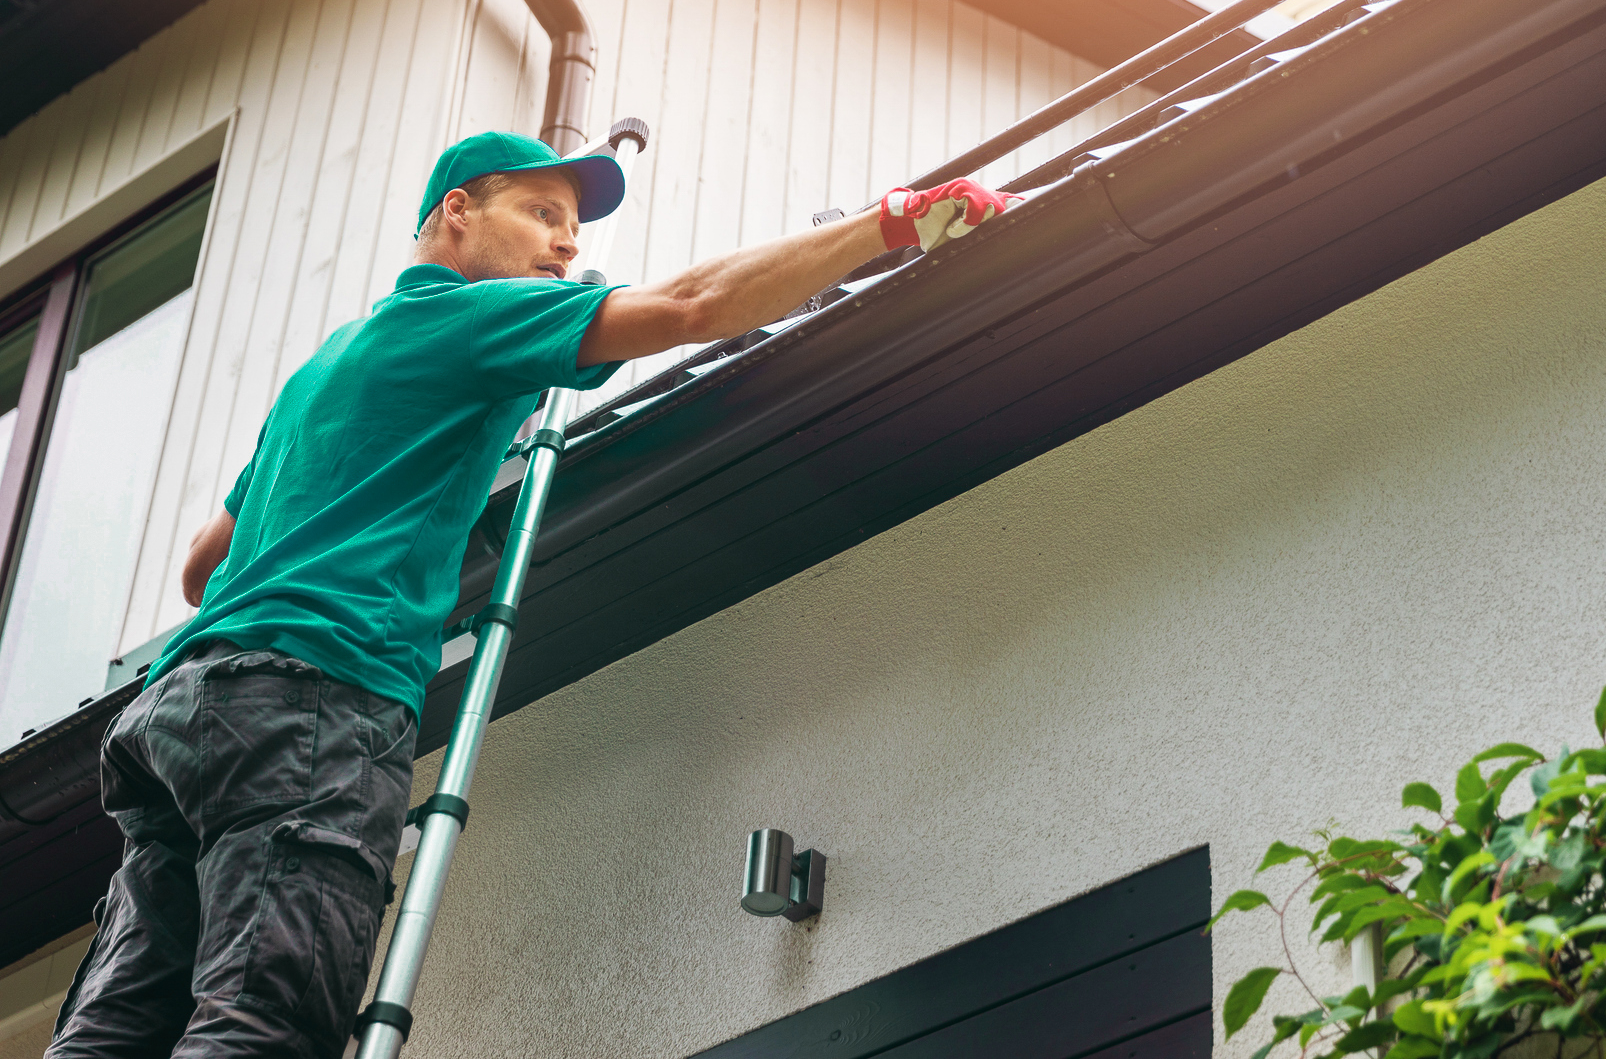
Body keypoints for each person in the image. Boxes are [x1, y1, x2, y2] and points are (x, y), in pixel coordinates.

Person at [46, 131, 1019, 1059]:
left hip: (179, 716)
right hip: (310, 704)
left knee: (113, 1031)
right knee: (266, 1017)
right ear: (456, 213)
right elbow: (691, 304)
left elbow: (202, 565)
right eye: (542, 213)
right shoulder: (467, 318)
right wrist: (892, 220)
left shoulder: (326, 368)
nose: (566, 244)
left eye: (575, 227)